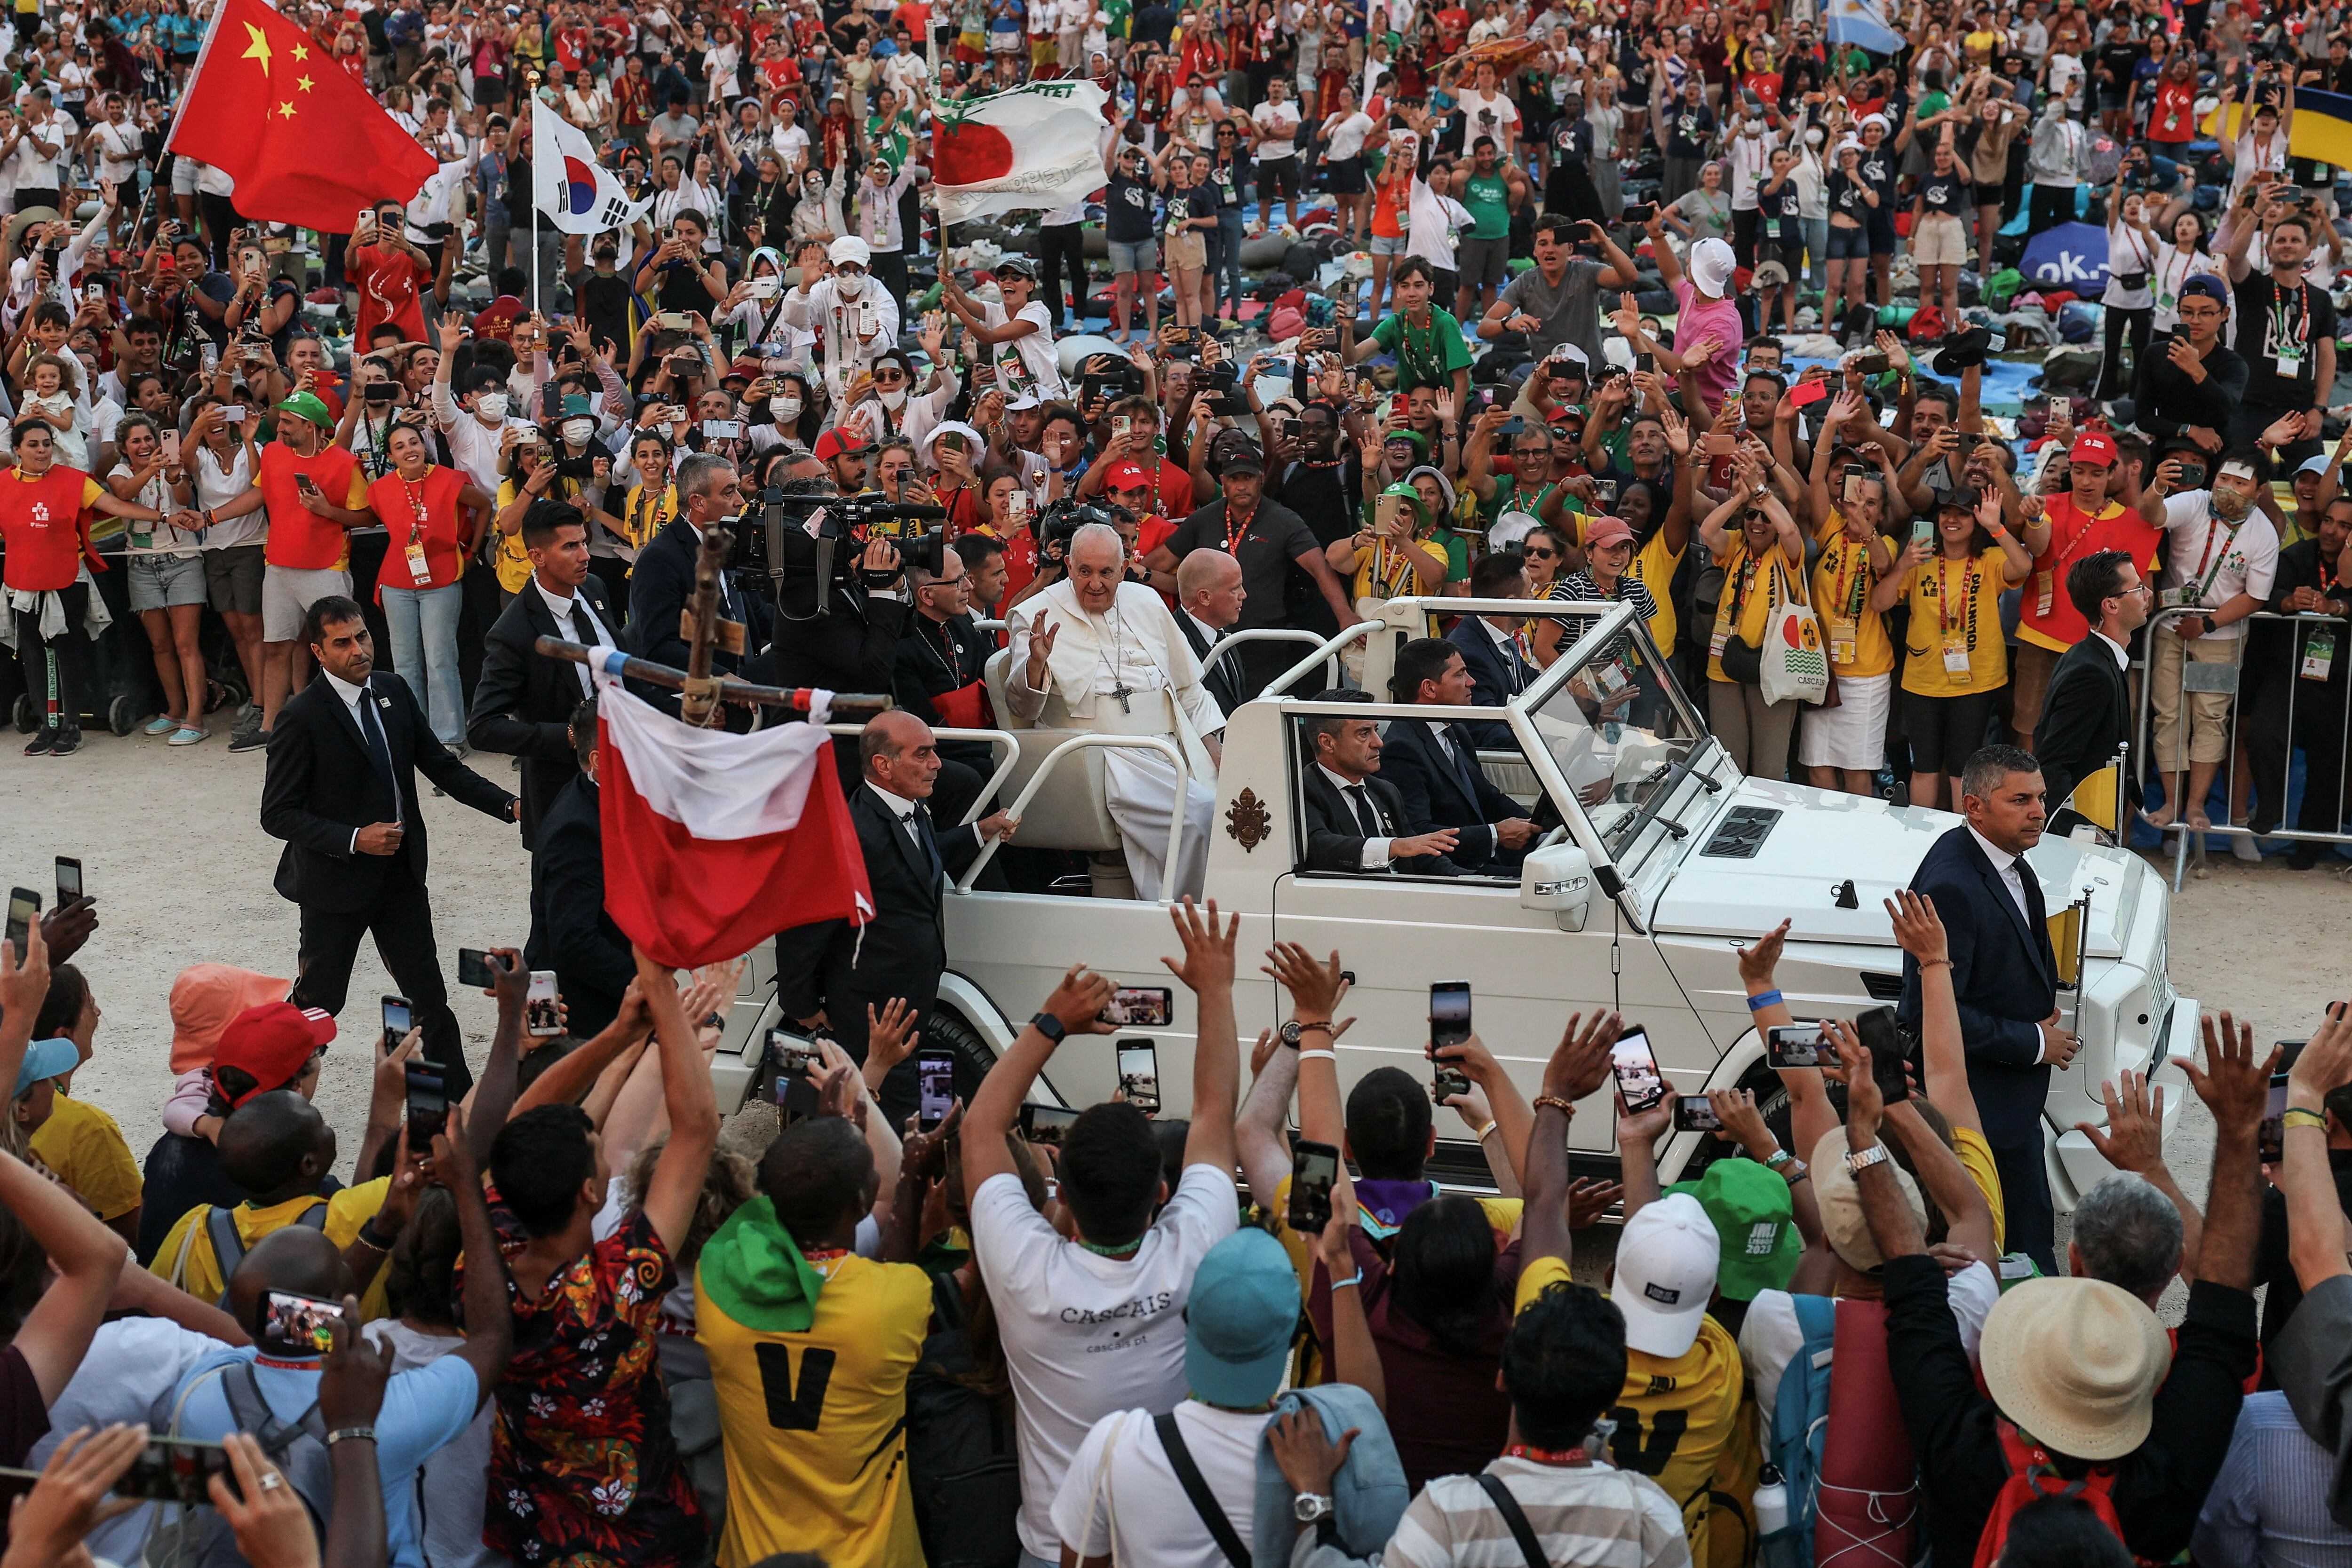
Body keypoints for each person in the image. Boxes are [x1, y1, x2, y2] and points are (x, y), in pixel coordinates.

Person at [1867, 1006, 2267, 1566]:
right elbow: (2222, 1302)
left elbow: (1911, 1283)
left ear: (2073, 1260)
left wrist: (1876, 1119)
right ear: (2173, 1262)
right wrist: (2238, 1129)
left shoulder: (1964, 1454)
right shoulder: (2162, 1483)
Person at [955, 901, 1244, 1568]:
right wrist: (1217, 990)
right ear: (1163, 1195)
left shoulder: (1025, 1270)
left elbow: (980, 1127)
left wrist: (1053, 1021)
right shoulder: (1194, 1246)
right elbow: (1213, 1111)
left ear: (1064, 1201)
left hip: (1053, 1548)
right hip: (1175, 1548)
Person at [170, 1108, 515, 1568]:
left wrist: (383, 1228)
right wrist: (468, 1189)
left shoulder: (201, 1388)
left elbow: (286, 1320)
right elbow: (491, 1338)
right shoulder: (389, 1411)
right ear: (337, 1304)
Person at [480, 954, 716, 1564]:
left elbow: (518, 1128)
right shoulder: (618, 1286)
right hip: (640, 1537)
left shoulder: (485, 1257)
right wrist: (662, 1001)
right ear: (590, 1191)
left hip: (536, 1532)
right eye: (595, 1150)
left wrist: (621, 1039)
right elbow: (696, 1129)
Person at [261, 596, 520, 1098]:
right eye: (342, 642)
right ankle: (270, 1097)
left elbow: (441, 766)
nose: (358, 650)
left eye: (362, 636)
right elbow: (277, 814)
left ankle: (459, 1108)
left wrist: (509, 805)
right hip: (333, 887)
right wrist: (356, 839)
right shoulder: (302, 717)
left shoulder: (393, 691)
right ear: (318, 651)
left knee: (428, 996)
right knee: (319, 1003)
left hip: (400, 878)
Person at [776, 711, 1013, 1118]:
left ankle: (931, 1159)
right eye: (922, 755)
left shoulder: (912, 808)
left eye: (934, 753)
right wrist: (799, 1002)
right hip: (870, 1013)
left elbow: (920, 858)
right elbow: (804, 922)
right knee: (883, 1117)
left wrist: (980, 831)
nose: (937, 764)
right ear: (884, 765)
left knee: (932, 1107)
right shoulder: (849, 832)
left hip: (918, 998)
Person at [1895, 744, 2069, 1275]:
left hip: (2009, 1101)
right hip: (1981, 1102)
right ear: (1974, 806)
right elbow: (1930, 1014)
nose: (2038, 810)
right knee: (2011, 1241)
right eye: (2020, 800)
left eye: (2040, 797)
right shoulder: (1953, 884)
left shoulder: (2003, 855)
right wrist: (2035, 1042)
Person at [1005, 523, 1225, 900]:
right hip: (1104, 753)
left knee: (1240, 811)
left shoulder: (1148, 601)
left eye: (1106, 572)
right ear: (1070, 567)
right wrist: (1036, 664)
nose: (1094, 583)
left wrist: (1215, 750)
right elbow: (1022, 707)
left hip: (1174, 743)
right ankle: (1190, 917)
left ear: (1123, 571)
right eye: (1084, 571)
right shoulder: (1034, 613)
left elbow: (1188, 688)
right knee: (1199, 817)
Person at [0, 417, 175, 757]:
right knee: (34, 653)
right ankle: (47, 725)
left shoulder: (74, 481)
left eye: (47, 444)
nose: (42, 450)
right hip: (22, 580)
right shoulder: (3, 483)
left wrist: (166, 518)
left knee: (68, 651)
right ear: (17, 449)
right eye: (33, 445)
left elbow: (117, 506)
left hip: (67, 576)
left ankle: (71, 727)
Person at [2136, 446, 2282, 852]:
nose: (2228, 489)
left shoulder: (2263, 532)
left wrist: (2208, 623)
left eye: (2240, 483)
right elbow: (2153, 515)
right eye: (2223, 479)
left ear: (2259, 490)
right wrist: (2157, 487)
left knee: (2210, 718)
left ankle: (2197, 805)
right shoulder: (2196, 502)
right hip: (2169, 629)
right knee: (2169, 716)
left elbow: (2256, 596)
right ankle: (2170, 804)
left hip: (2222, 638)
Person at [468, 499, 620, 849]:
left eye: (584, 542)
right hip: (565, 795)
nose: (585, 555)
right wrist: (570, 736)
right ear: (537, 556)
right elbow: (483, 728)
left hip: (626, 776)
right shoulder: (514, 631)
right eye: (570, 546)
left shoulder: (594, 589)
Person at [1375, 637, 1538, 875]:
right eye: (1460, 675)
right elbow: (1420, 834)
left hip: (1488, 857)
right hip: (1460, 871)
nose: (1472, 682)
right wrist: (1495, 835)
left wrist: (1535, 826)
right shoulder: (1401, 750)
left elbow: (1487, 796)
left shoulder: (1455, 729)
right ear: (1429, 688)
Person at [526, 697, 633, 1042]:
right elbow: (575, 941)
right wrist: (648, 982)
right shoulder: (576, 829)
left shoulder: (601, 799)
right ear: (599, 761)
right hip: (578, 1015)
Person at [2034, 550, 2149, 831]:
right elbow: (2053, 761)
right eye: (2137, 588)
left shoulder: (2098, 658)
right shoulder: (2090, 673)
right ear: (2111, 605)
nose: (2147, 595)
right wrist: (2076, 830)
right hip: (2082, 830)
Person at [1299, 693, 1464, 875]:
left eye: (1376, 730)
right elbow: (1320, 847)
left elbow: (1419, 853)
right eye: (1364, 734)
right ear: (1328, 743)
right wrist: (1393, 846)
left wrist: (1471, 881)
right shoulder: (1302, 790)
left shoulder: (1385, 791)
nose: (1379, 743)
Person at [1174, 546, 1248, 721]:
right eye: (1234, 589)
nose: (1243, 595)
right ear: (1205, 597)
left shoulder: (1223, 636)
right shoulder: (1174, 643)